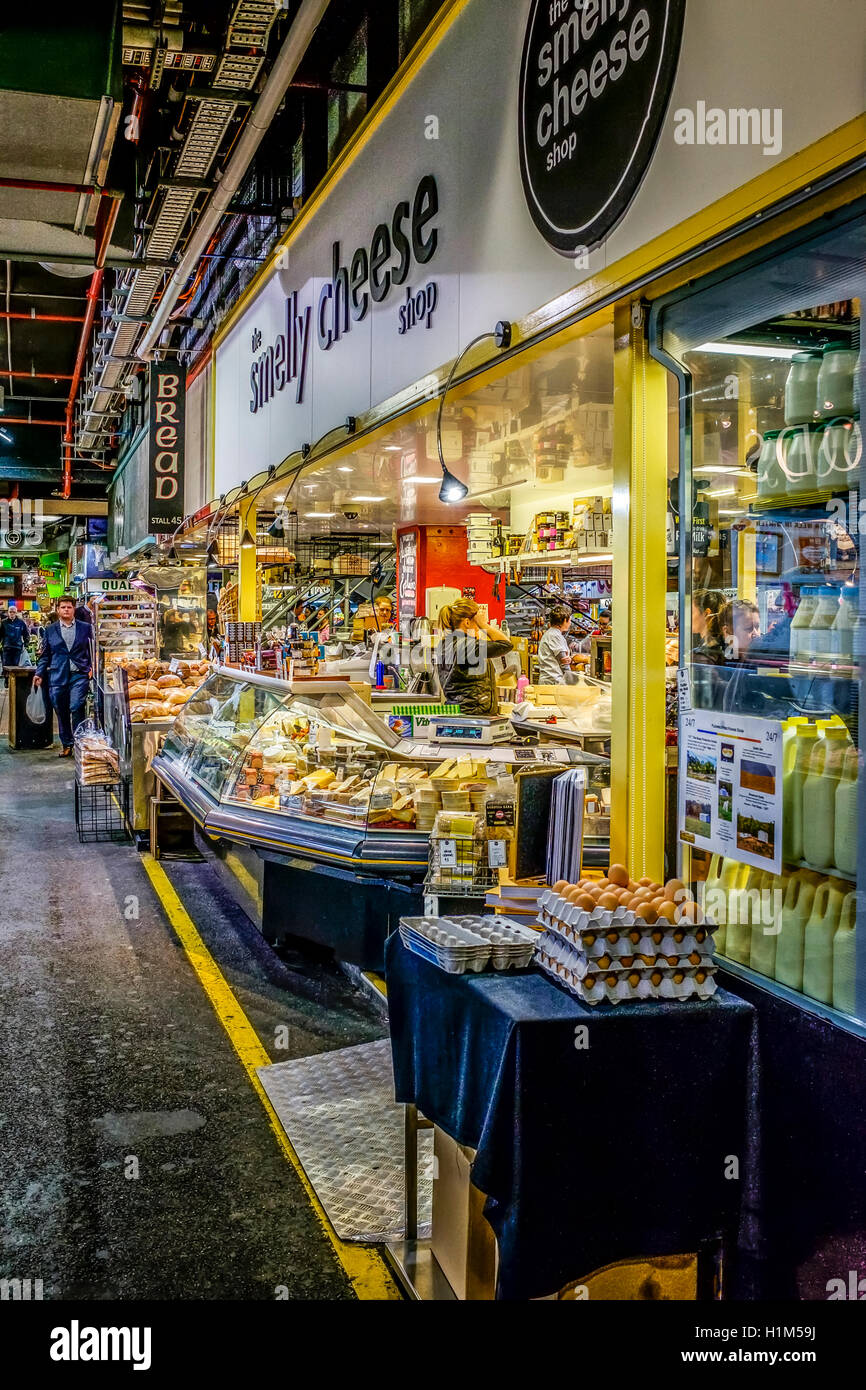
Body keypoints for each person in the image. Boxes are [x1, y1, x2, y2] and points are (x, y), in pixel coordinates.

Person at [34, 595, 93, 756]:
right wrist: (39, 673)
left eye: (69, 607)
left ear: (74, 609)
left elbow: (92, 650)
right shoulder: (50, 630)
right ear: (58, 610)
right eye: (63, 607)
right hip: (57, 676)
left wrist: (92, 667)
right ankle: (67, 744)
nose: (66, 610)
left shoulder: (85, 627)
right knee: (61, 711)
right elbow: (45, 655)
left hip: (79, 674)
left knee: (76, 706)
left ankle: (81, 743)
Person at [435, 597, 513, 716]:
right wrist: (484, 625)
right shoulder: (466, 646)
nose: (478, 628)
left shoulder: (447, 643)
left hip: (458, 711)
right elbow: (506, 644)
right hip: (474, 714)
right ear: (467, 622)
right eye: (476, 622)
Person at [537, 604, 576, 684]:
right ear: (565, 620)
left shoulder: (553, 634)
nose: (570, 623)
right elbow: (563, 662)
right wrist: (571, 681)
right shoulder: (554, 635)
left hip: (552, 680)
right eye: (569, 620)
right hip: (552, 681)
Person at [1, 604, 30, 669]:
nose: (12, 613)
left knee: (15, 667)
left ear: (16, 613)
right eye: (10, 612)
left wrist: (26, 644)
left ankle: (14, 679)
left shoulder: (21, 622)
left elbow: (26, 634)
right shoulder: (4, 622)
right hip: (7, 647)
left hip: (17, 648)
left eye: (13, 612)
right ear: (8, 612)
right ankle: (6, 679)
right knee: (6, 667)